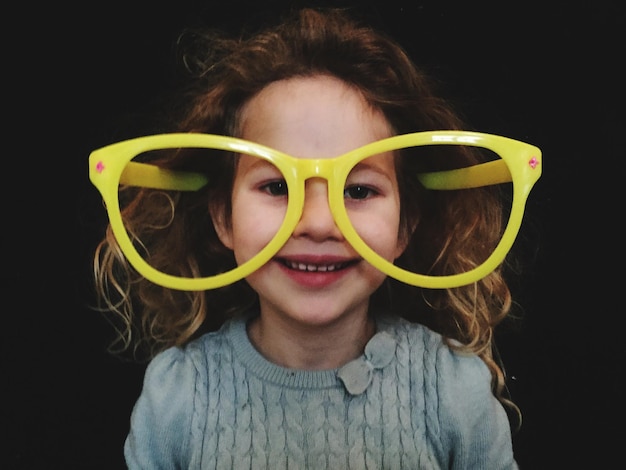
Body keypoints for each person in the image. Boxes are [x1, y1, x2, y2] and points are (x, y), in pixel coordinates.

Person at [89, 6, 542, 469]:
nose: (320, 223)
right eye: (277, 187)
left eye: (360, 190)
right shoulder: (178, 397)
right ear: (223, 216)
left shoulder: (452, 392)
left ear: (405, 226)